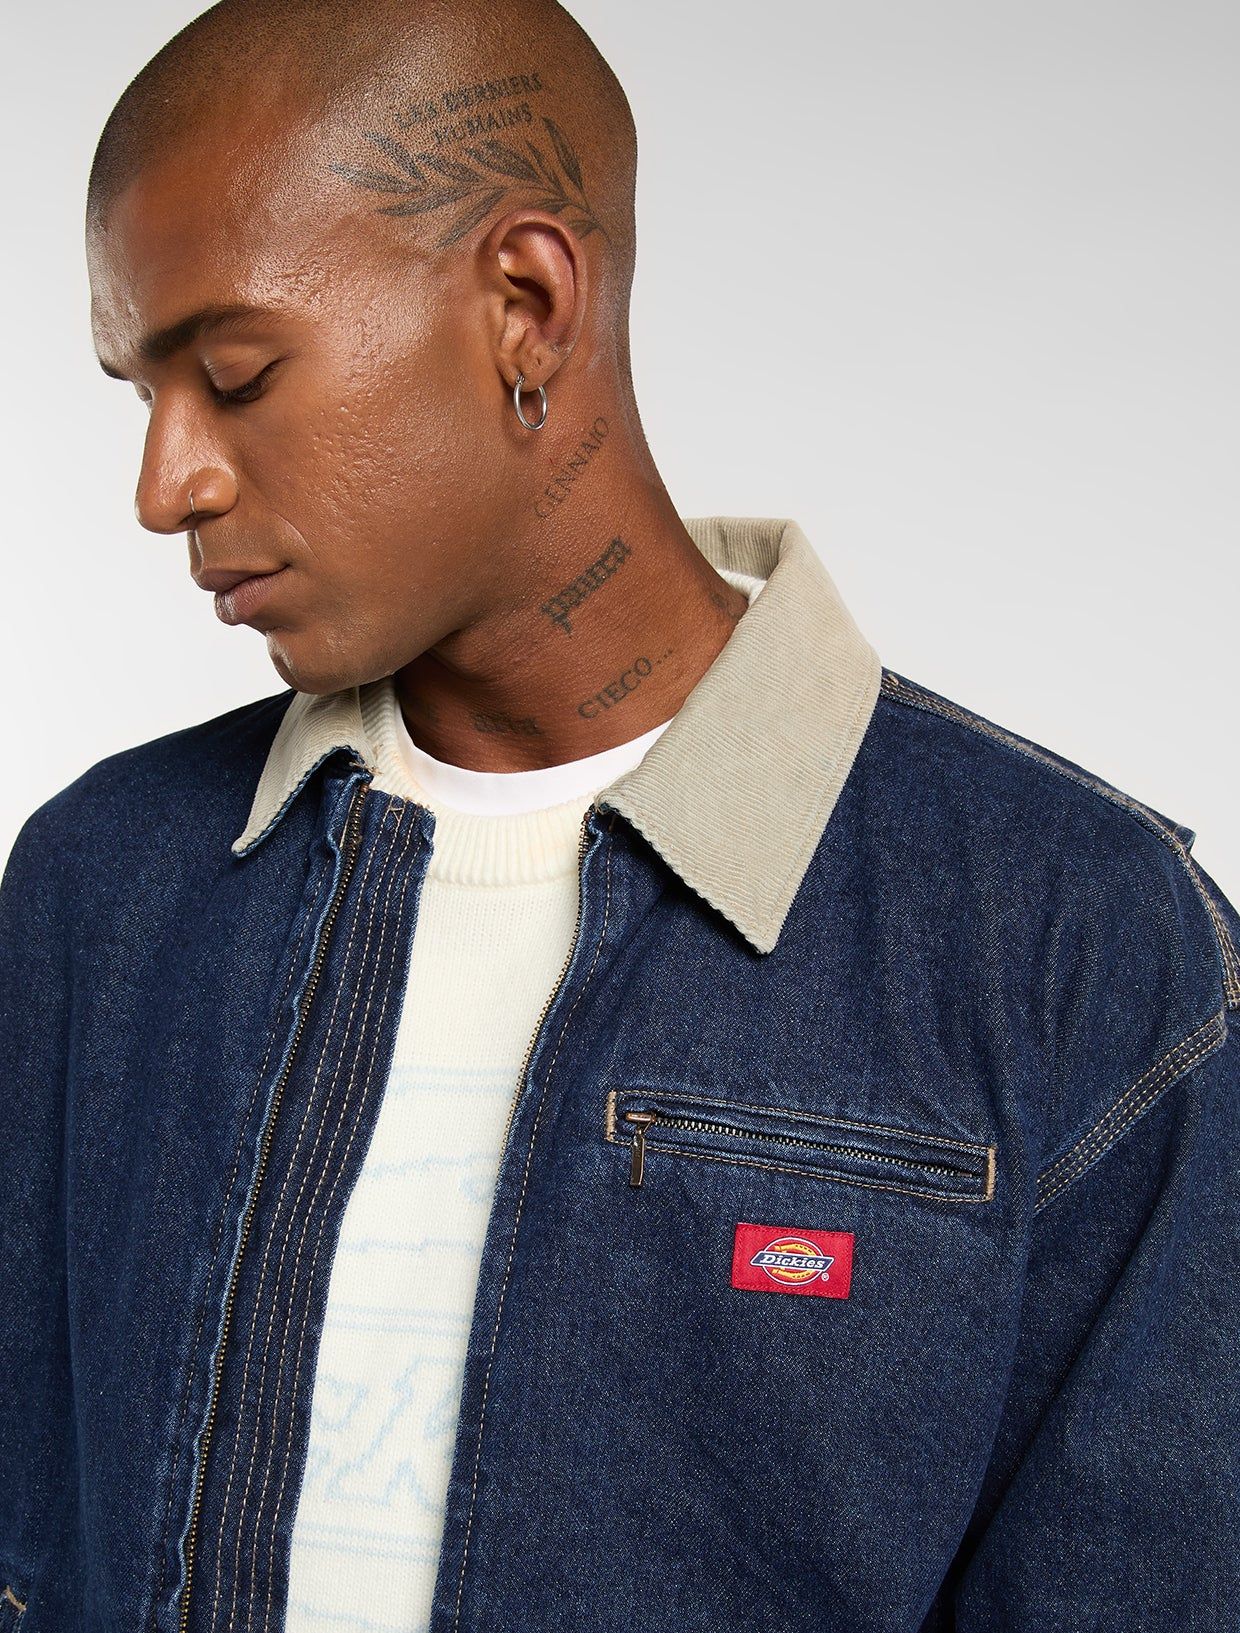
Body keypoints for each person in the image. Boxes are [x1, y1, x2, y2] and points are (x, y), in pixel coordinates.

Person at [0, 0, 1235, 1629]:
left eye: (235, 375)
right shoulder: (98, 886)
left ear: (526, 306)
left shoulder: (1077, 943)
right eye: (141, 392)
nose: (167, 484)